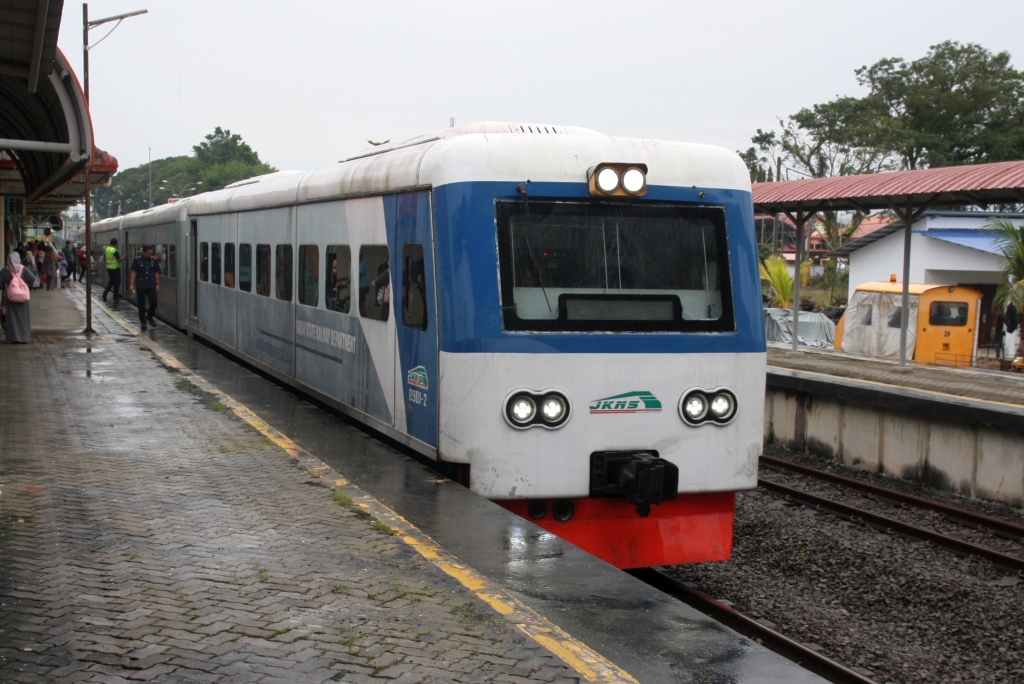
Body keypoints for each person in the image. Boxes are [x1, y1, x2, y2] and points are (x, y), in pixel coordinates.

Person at [1, 252, 37, 343]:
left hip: (11, 299)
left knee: (11, 318)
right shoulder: (24, 269)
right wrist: (25, 287)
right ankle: (24, 338)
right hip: (23, 299)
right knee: (23, 318)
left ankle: (12, 338)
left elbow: (0, 284)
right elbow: (33, 279)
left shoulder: (5, 271)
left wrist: (6, 287)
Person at [128, 244, 161, 331]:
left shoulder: (153, 261)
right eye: (148, 254)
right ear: (143, 252)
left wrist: (157, 284)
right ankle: (143, 322)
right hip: (141, 285)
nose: (149, 255)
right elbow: (133, 272)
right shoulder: (137, 260)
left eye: (151, 254)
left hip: (151, 285)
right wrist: (131, 284)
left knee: (154, 302)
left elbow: (156, 272)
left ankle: (149, 316)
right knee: (141, 304)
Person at [102, 238, 125, 303]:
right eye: (117, 243)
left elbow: (104, 258)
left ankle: (105, 293)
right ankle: (115, 296)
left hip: (109, 267)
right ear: (115, 243)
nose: (118, 244)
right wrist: (123, 257)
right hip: (115, 268)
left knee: (111, 281)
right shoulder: (114, 250)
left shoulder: (107, 249)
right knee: (117, 282)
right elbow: (119, 260)